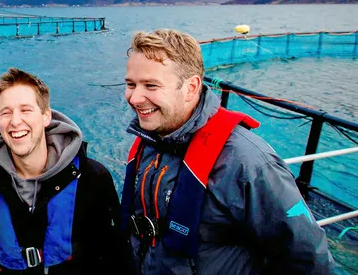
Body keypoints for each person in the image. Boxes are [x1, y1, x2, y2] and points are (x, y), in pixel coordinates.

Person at [120, 29, 334, 274]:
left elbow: (306, 256)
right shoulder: (151, 142)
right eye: (130, 84)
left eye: (151, 85)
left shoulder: (248, 162)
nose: (135, 98)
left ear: (191, 88)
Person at [0, 68, 132, 274]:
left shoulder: (92, 178)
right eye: (6, 112)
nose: (15, 121)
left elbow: (114, 256)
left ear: (46, 116)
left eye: (26, 110)